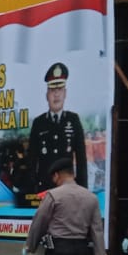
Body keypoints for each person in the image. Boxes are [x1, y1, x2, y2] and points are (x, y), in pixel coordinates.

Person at [27, 63, 88, 194]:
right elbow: (31, 160)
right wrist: (31, 191)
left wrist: (83, 190)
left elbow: (81, 159)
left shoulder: (73, 120)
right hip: (44, 189)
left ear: (65, 93)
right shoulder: (39, 123)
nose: (56, 95)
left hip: (67, 189)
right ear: (47, 95)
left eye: (60, 89)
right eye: (52, 90)